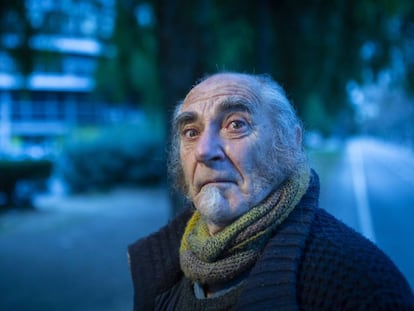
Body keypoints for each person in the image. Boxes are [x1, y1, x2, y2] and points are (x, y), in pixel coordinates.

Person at [128, 72, 414, 310]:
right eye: (191, 132)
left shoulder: (360, 282)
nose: (204, 151)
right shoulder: (155, 273)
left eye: (235, 125)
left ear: (290, 143)